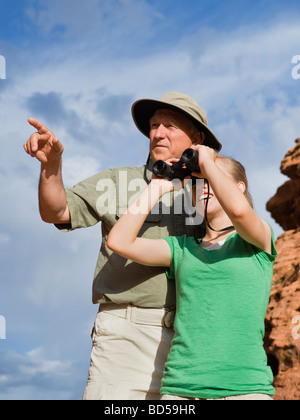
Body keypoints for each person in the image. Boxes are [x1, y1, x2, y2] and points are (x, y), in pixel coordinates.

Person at [23, 92, 222, 400]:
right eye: (155, 125)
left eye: (170, 125)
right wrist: (52, 165)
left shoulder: (214, 191)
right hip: (126, 337)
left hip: (194, 336)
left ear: (197, 137)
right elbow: (57, 211)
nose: (157, 133)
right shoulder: (116, 181)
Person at [107, 144, 277, 400]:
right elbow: (119, 242)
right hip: (181, 388)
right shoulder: (183, 249)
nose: (204, 185)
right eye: (196, 182)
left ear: (239, 187)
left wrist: (208, 162)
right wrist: (157, 188)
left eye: (211, 179)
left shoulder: (258, 240)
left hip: (245, 388)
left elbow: (240, 212)